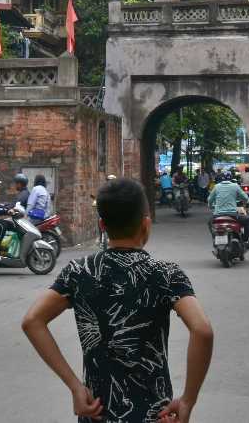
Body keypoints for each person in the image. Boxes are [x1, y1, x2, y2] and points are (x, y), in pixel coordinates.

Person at [21, 177, 214, 423]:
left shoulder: (79, 272)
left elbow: (32, 321)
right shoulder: (166, 273)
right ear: (146, 224)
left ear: (102, 224)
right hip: (155, 415)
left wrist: (75, 387)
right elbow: (203, 331)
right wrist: (188, 400)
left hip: (98, 413)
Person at [208, 169, 249, 244]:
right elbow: (245, 198)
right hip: (232, 215)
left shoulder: (216, 187)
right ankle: (245, 240)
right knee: (248, 220)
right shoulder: (235, 186)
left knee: (210, 223)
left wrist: (210, 206)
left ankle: (214, 238)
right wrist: (247, 202)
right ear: (231, 178)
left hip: (218, 215)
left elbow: (210, 200)